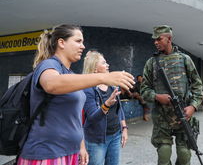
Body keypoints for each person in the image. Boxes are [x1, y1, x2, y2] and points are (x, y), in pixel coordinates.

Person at [18, 24, 134, 165]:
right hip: (47, 153)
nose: (83, 46)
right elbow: (52, 84)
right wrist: (103, 78)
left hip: (70, 152)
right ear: (61, 42)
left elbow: (76, 118)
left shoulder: (71, 74)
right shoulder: (49, 64)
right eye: (78, 41)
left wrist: (82, 147)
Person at [141, 25, 203, 165]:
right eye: (154, 40)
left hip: (183, 115)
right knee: (163, 155)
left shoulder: (184, 59)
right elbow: (144, 90)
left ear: (169, 38)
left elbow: (198, 85)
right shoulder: (152, 63)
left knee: (184, 155)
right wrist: (157, 97)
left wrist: (193, 106)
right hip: (162, 118)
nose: (155, 42)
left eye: (159, 39)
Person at [82, 50, 128, 165]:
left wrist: (124, 128)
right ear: (94, 69)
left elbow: (119, 108)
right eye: (104, 63)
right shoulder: (88, 88)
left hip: (115, 135)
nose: (108, 65)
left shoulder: (112, 85)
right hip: (96, 139)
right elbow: (92, 117)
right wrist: (107, 104)